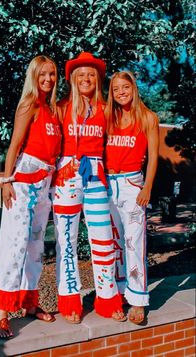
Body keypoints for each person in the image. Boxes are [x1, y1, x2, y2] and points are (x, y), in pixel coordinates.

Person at [0, 55, 61, 338]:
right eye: (43, 74)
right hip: (23, 183)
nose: (48, 79)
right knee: (15, 245)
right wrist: (6, 181)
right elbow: (15, 145)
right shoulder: (29, 105)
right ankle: (0, 309)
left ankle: (29, 303)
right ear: (34, 76)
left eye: (52, 74)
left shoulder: (52, 110)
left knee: (35, 247)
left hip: (44, 186)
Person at [52, 52, 125, 324]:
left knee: (103, 239)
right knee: (66, 240)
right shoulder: (61, 107)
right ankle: (70, 301)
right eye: (81, 74)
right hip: (66, 177)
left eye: (91, 74)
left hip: (96, 176)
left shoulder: (106, 109)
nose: (86, 78)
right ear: (72, 79)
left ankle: (107, 299)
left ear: (98, 79)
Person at [104, 70, 159, 324]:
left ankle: (138, 300)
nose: (121, 93)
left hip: (131, 183)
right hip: (107, 184)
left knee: (134, 243)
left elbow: (154, 157)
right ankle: (119, 292)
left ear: (133, 88)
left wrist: (147, 187)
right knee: (113, 242)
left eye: (125, 87)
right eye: (115, 89)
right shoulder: (108, 116)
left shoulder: (148, 118)